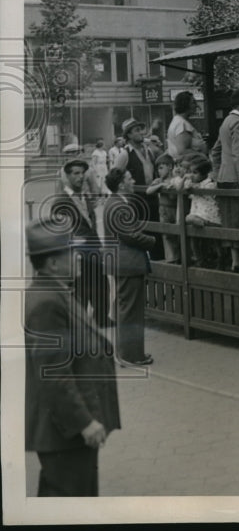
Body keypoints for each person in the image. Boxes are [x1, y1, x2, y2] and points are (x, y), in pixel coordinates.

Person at [25, 216, 121, 496]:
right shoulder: (46, 303)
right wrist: (85, 422)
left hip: (65, 432)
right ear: (53, 263)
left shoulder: (56, 292)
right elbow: (54, 374)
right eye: (71, 251)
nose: (79, 256)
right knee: (71, 500)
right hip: (65, 432)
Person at [104, 167, 155, 366]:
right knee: (131, 311)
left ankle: (126, 353)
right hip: (128, 263)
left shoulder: (114, 202)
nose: (133, 181)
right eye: (129, 178)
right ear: (121, 184)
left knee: (126, 308)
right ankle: (131, 355)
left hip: (122, 263)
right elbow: (130, 235)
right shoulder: (119, 205)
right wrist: (151, 240)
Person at [50, 157, 109, 328]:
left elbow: (91, 224)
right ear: (67, 177)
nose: (81, 177)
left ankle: (102, 318)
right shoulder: (61, 201)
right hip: (78, 253)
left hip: (94, 248)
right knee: (81, 288)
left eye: (82, 173)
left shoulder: (85, 197)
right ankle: (79, 324)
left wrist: (99, 245)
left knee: (101, 282)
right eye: (76, 173)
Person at [210, 87, 239, 273]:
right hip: (236, 178)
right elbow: (238, 154)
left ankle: (235, 261)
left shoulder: (226, 122)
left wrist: (216, 173)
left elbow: (215, 151)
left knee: (229, 220)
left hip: (223, 178)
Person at [184, 157, 222, 267]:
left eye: (195, 173)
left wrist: (191, 184)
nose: (191, 175)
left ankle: (220, 259)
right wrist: (187, 180)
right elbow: (185, 187)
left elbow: (201, 190)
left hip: (210, 217)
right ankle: (200, 260)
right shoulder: (194, 184)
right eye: (190, 172)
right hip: (197, 215)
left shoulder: (209, 183)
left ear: (204, 174)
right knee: (195, 238)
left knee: (215, 241)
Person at [146, 153, 181, 263]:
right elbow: (148, 191)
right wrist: (160, 186)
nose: (159, 171)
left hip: (176, 210)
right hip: (163, 210)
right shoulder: (158, 181)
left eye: (161, 168)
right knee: (167, 236)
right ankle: (171, 259)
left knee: (178, 235)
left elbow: (174, 196)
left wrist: (171, 186)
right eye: (158, 169)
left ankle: (179, 258)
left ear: (170, 167)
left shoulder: (176, 180)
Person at [167, 90, 206, 160]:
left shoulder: (179, 121)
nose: (196, 105)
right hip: (190, 166)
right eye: (193, 102)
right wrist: (203, 156)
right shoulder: (181, 124)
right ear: (185, 104)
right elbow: (183, 151)